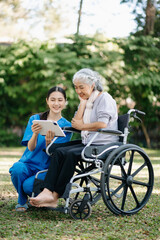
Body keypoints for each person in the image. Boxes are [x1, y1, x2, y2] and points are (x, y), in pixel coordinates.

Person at [30, 68, 118, 208]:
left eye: (81, 87)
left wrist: (82, 126)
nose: (78, 91)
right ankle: (47, 191)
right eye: (76, 87)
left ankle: (55, 196)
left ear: (92, 85)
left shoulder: (104, 98)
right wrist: (82, 104)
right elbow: (75, 124)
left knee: (69, 154)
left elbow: (102, 124)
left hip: (103, 144)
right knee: (58, 150)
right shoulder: (87, 101)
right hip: (88, 142)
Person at [9, 86, 72, 212]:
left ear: (65, 102)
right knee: (16, 169)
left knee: (27, 186)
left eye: (60, 100)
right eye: (53, 100)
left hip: (46, 169)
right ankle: (22, 200)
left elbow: (58, 155)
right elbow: (31, 147)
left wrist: (49, 145)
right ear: (47, 101)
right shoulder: (35, 119)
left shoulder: (67, 126)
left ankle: (32, 195)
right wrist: (35, 134)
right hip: (28, 164)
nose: (56, 103)